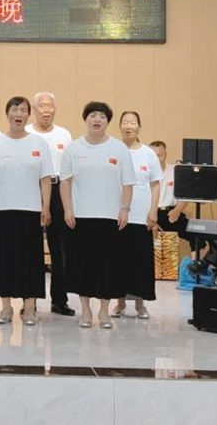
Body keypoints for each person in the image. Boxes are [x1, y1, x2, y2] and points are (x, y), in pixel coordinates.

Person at [60, 102, 136, 328]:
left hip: (110, 217)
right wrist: (68, 209)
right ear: (86, 119)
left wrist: (125, 208)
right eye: (92, 115)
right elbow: (65, 182)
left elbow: (128, 183)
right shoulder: (73, 148)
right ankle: (85, 310)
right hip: (80, 216)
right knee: (82, 265)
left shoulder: (118, 148)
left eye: (102, 116)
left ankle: (104, 311)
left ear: (107, 121)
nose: (97, 119)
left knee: (108, 266)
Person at [0, 96, 53, 326]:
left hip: (31, 210)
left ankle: (29, 307)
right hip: (1, 209)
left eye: (23, 110)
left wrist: (46, 206)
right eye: (14, 109)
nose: (18, 114)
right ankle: (5, 307)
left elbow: (45, 179)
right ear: (7, 114)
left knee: (30, 260)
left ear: (28, 115)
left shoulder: (38, 143)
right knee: (4, 260)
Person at [26, 91, 74, 316]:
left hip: (59, 189)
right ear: (33, 110)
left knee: (60, 247)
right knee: (31, 247)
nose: (46, 110)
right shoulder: (27, 133)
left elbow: (70, 169)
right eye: (41, 106)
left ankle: (60, 300)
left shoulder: (64, 134)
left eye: (50, 106)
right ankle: (30, 300)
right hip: (32, 189)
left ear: (55, 109)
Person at [112, 110, 162, 319]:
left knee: (141, 261)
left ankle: (140, 304)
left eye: (132, 122)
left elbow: (155, 184)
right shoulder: (113, 150)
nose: (128, 126)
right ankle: (120, 303)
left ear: (139, 127)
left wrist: (153, 211)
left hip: (141, 216)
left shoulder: (148, 153)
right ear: (120, 126)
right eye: (125, 122)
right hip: (118, 216)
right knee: (119, 261)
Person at [153, 140, 189, 237]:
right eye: (153, 155)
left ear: (166, 154)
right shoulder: (144, 173)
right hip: (151, 213)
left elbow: (185, 195)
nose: (156, 159)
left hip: (171, 212)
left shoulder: (175, 170)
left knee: (195, 237)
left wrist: (177, 210)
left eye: (160, 155)